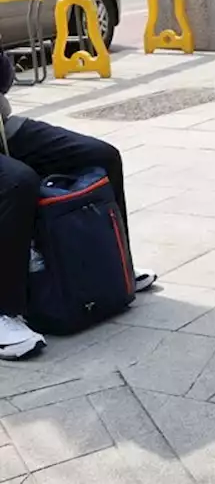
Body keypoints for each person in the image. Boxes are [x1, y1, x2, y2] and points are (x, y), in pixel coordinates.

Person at [0, 50, 157, 360]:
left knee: (101, 156)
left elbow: (4, 75)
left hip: (3, 128)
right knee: (17, 182)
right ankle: (5, 311)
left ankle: (116, 265)